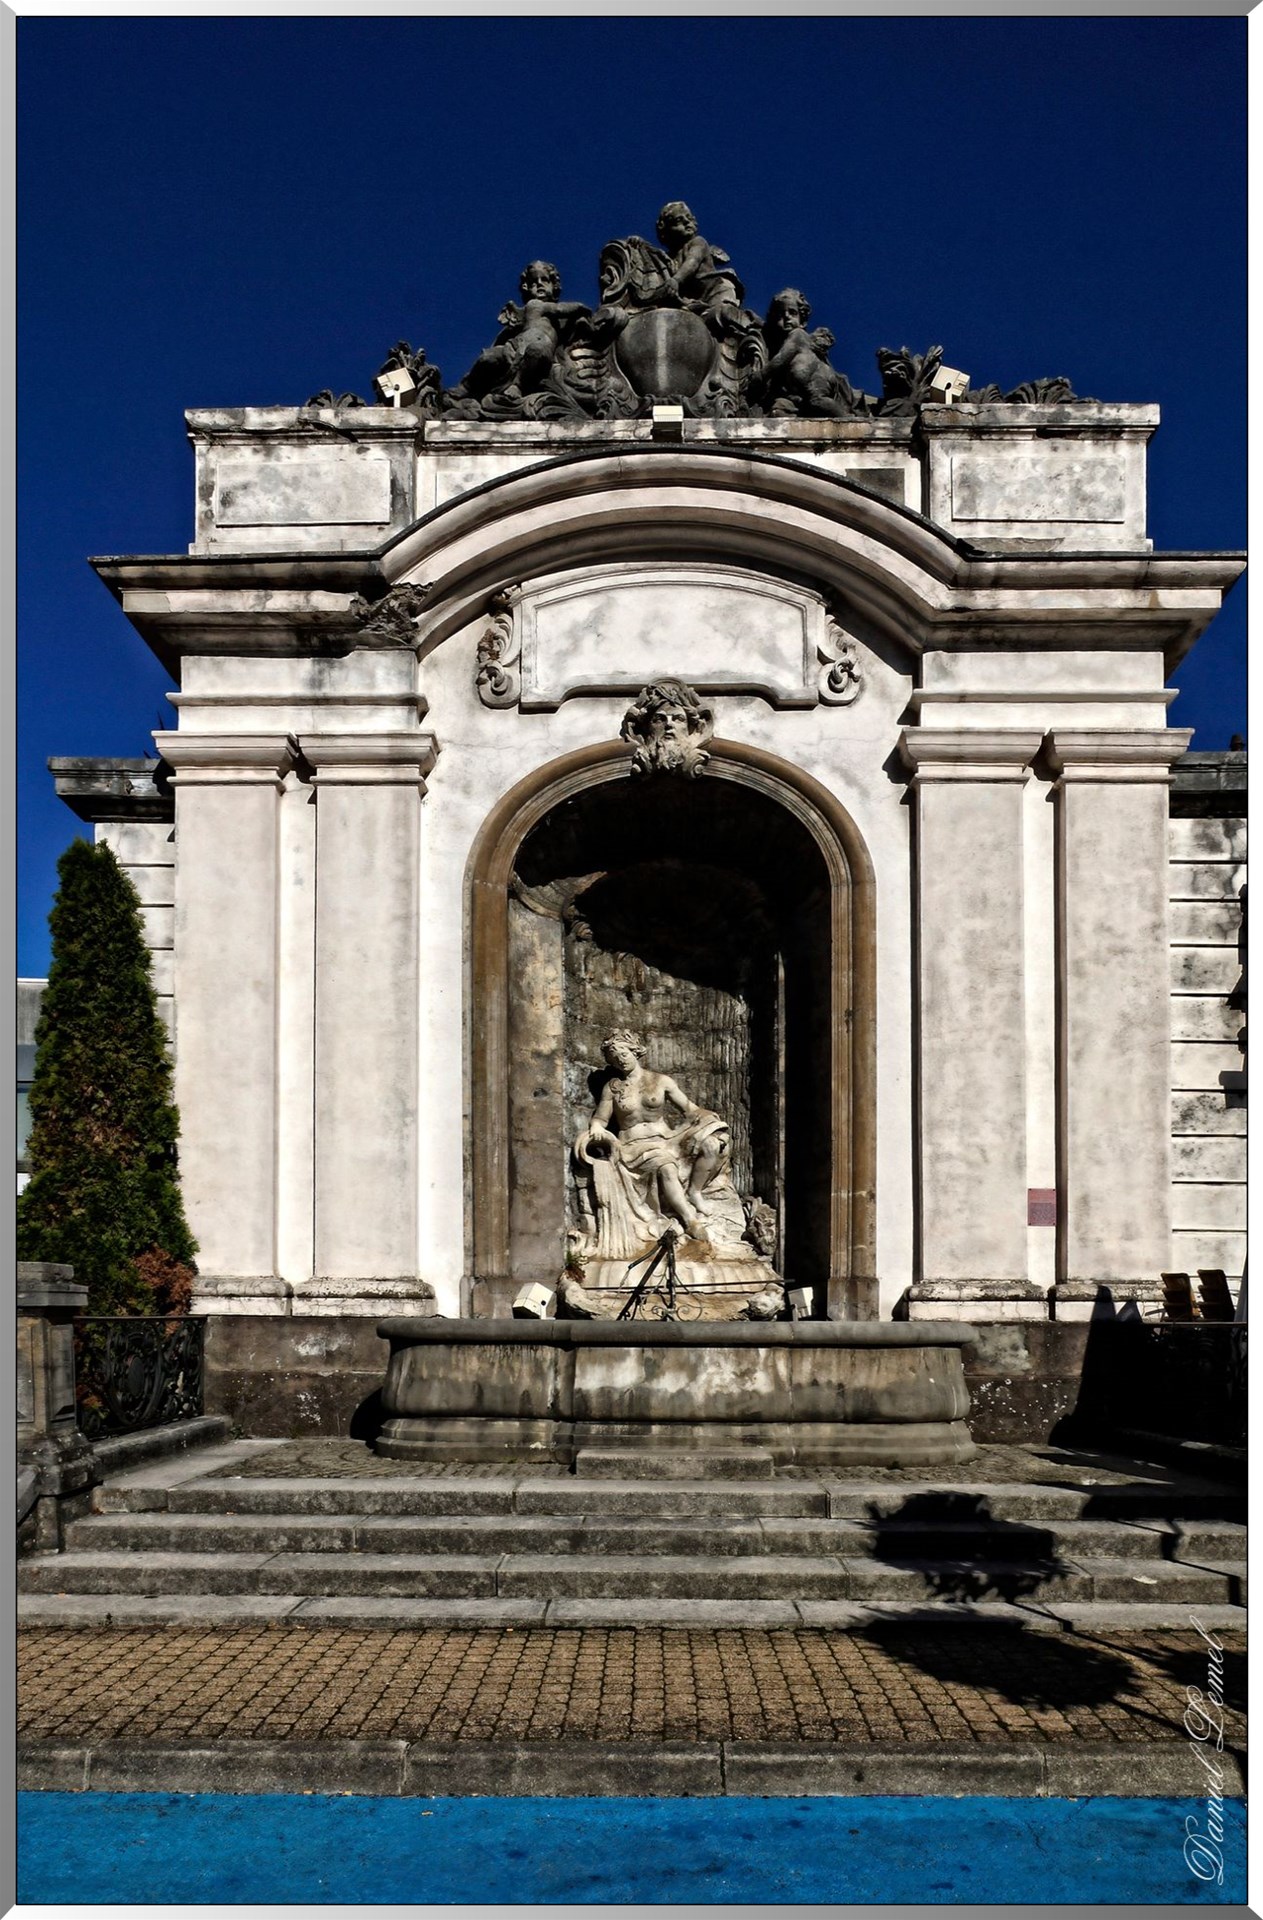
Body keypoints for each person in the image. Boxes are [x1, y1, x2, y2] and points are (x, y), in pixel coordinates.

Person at [573, 1030, 729, 1255]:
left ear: (635, 1051)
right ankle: (691, 1220)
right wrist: (597, 1127)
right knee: (665, 1165)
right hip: (634, 1147)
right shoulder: (613, 1088)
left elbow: (690, 1109)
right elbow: (601, 1118)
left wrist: (708, 1120)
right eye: (614, 1058)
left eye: (623, 1053)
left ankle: (695, 1192)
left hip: (666, 1140)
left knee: (711, 1143)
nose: (620, 1060)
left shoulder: (660, 1081)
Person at [448, 261, 590, 405]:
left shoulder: (562, 323)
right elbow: (560, 309)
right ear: (527, 288)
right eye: (534, 282)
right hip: (518, 344)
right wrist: (581, 307)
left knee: (537, 351)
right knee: (487, 357)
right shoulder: (536, 305)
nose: (539, 284)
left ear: (554, 285)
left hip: (538, 346)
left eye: (544, 280)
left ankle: (517, 385)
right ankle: (466, 387)